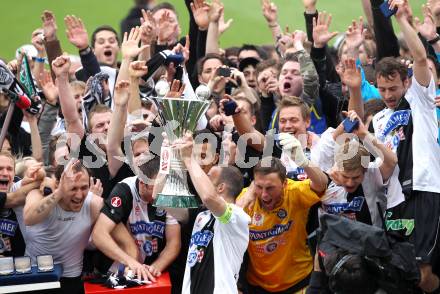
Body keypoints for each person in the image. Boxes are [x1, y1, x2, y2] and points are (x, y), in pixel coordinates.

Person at [370, 1, 440, 292]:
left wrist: (402, 20)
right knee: (402, 274)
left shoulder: (419, 100)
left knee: (423, 274)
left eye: (393, 88)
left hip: (425, 190)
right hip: (396, 200)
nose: (387, 95)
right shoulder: (378, 119)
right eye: (382, 89)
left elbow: (421, 58)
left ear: (406, 82)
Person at [237, 153, 328, 293]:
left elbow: (321, 184)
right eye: (259, 187)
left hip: (299, 282)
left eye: (270, 188)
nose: (264, 195)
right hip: (258, 286)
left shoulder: (294, 192)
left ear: (284, 183)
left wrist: (303, 161)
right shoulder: (244, 201)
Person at [176, 132, 250, 294]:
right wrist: (169, 158)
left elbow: (209, 196)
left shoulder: (237, 217)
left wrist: (189, 159)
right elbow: (159, 199)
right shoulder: (201, 215)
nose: (200, 178)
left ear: (221, 188)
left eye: (207, 177)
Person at [92, 156, 181, 283]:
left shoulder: (168, 194)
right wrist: (130, 262)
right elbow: (99, 234)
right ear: (142, 183)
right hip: (116, 269)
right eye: (157, 188)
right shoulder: (124, 190)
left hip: (147, 270)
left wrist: (155, 267)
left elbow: (174, 243)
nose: (162, 193)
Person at [23, 160, 103, 294]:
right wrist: (60, 191)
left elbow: (109, 236)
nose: (79, 195)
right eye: (72, 188)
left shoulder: (93, 203)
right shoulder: (38, 194)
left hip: (71, 279)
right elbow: (29, 218)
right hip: (35, 276)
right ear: (57, 184)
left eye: (84, 188)